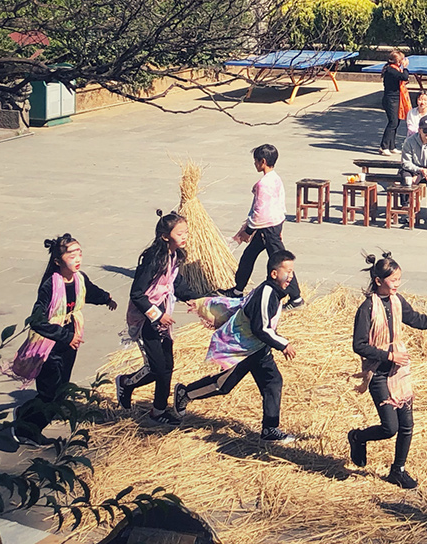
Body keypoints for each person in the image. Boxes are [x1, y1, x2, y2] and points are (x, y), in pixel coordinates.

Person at [348, 253, 427, 489]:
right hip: (378, 373)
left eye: (399, 279)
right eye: (393, 280)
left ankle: (398, 470)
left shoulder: (397, 300)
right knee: (389, 428)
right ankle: (358, 437)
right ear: (379, 280)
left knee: (407, 424)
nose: (397, 284)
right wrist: (389, 355)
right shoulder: (367, 307)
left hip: (399, 371)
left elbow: (415, 319)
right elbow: (358, 345)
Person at [171, 251, 299, 444]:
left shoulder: (275, 292)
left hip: (259, 349)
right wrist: (284, 344)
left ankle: (270, 429)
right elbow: (261, 328)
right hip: (242, 349)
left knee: (273, 382)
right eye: (287, 272)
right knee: (223, 385)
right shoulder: (267, 293)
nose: (291, 276)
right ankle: (185, 393)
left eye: (292, 272)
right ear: (274, 274)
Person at [7, 234, 117, 445]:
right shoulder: (50, 285)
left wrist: (106, 298)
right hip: (49, 344)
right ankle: (26, 428)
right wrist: (66, 336)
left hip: (69, 342)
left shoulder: (79, 278)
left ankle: (26, 415)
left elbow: (89, 292)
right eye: (71, 255)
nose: (78, 259)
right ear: (57, 261)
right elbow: (37, 321)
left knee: (61, 391)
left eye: (80, 254)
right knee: (50, 393)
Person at [114, 212, 205, 425]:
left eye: (186, 232)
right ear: (165, 236)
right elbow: (137, 294)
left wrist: (197, 300)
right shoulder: (153, 259)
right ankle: (126, 383)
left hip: (163, 315)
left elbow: (177, 284)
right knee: (156, 367)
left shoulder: (175, 256)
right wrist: (157, 315)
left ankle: (159, 411)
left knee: (167, 365)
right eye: (180, 233)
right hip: (146, 319)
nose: (185, 236)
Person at [227, 144, 304, 307]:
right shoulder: (276, 179)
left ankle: (296, 298)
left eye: (256, 161)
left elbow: (259, 211)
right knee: (248, 256)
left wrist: (248, 230)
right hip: (273, 225)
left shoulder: (263, 184)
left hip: (268, 229)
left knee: (282, 262)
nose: (254, 164)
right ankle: (237, 290)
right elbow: (281, 205)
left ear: (262, 161)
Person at [378, 51, 410, 156]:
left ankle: (392, 146)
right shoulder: (391, 70)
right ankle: (384, 146)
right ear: (398, 61)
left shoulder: (395, 69)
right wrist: (405, 67)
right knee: (393, 122)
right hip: (390, 99)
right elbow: (404, 76)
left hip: (397, 98)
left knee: (397, 122)